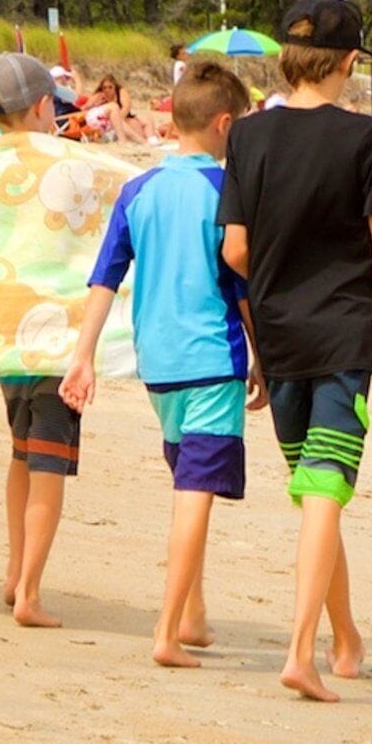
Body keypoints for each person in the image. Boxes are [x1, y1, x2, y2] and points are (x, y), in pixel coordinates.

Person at [221, 0, 372, 703]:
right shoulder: (367, 139)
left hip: (277, 336)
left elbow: (235, 249)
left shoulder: (247, 136)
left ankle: (345, 638)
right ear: (348, 61)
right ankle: (301, 652)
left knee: (315, 493)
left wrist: (275, 295)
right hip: (339, 335)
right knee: (324, 491)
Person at [62, 62, 254, 669]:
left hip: (159, 363)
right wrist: (265, 354)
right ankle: (167, 631)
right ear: (225, 125)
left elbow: (104, 277)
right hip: (212, 357)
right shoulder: (225, 192)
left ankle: (192, 613)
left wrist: (83, 357)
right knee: (194, 491)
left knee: (189, 480)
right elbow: (239, 282)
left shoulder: (138, 189)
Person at [0, 53, 84, 621]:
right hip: (54, 335)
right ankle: (31, 594)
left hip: (5, 331)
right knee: (48, 460)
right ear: (43, 107)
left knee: (20, 452)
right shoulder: (64, 165)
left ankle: (15, 571)